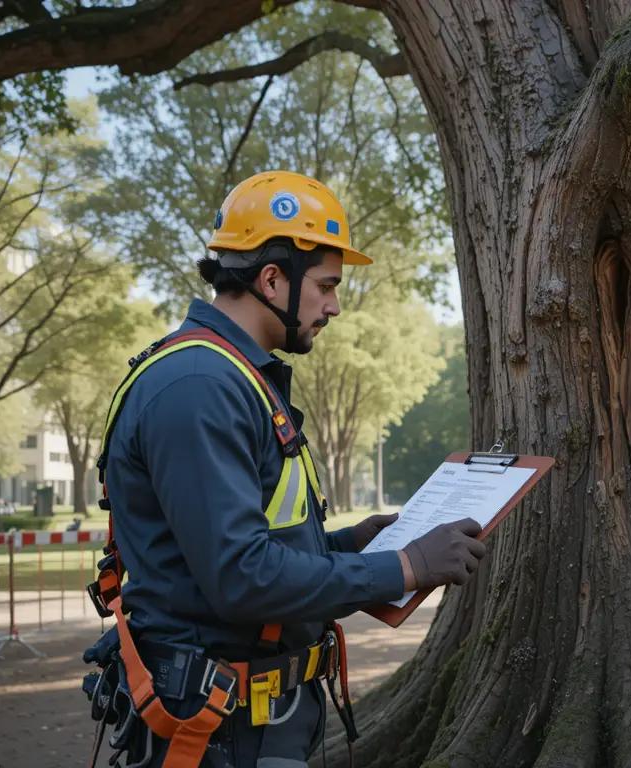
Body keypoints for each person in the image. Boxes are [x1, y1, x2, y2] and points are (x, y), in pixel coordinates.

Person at [83, 171, 488, 768]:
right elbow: (241, 577)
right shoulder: (201, 386)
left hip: (251, 720)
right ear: (272, 279)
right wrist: (405, 565)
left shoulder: (230, 377)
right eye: (325, 285)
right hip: (219, 731)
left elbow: (242, 549)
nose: (335, 305)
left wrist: (352, 543)